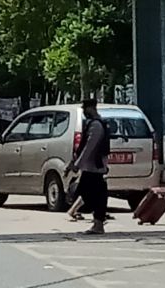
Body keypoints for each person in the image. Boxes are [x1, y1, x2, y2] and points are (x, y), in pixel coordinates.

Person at [67, 97, 111, 235]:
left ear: (91, 108)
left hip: (94, 168)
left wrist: (77, 165)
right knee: (92, 194)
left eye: (85, 109)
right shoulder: (95, 123)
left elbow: (89, 147)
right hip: (92, 168)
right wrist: (74, 163)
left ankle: (98, 223)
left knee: (89, 194)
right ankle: (97, 222)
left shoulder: (96, 125)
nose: (84, 112)